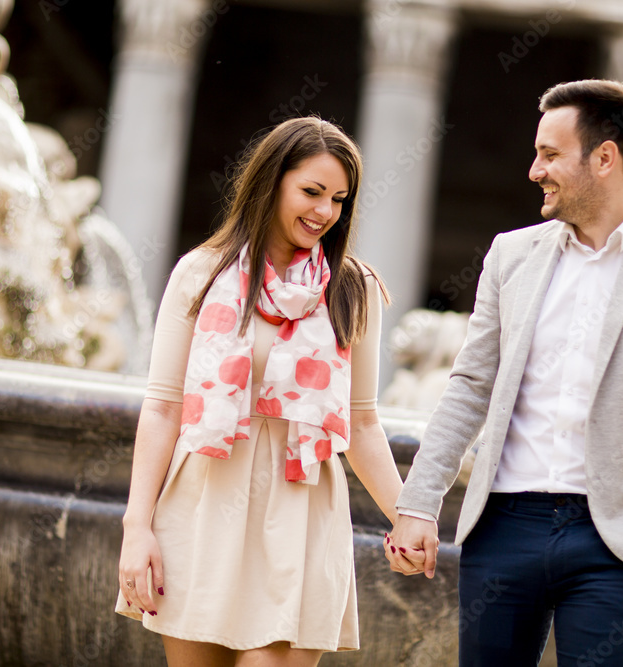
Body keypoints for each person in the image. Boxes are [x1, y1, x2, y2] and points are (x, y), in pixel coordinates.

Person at [385, 80, 623, 666]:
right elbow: (469, 387)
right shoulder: (509, 256)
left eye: (550, 155)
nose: (534, 170)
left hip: (613, 540)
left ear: (604, 158)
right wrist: (418, 504)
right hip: (502, 525)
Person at [115, 116, 405, 667]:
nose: (325, 212)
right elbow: (162, 408)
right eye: (311, 192)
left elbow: (362, 423)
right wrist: (137, 529)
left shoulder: (353, 289)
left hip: (301, 509)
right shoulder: (201, 272)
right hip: (203, 502)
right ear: (271, 183)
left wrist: (408, 516)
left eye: (339, 199)